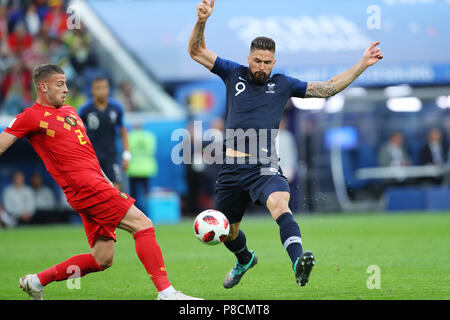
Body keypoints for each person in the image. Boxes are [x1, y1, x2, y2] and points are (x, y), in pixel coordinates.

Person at [188, 0, 383, 288]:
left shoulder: (282, 84)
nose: (261, 67)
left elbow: (328, 88)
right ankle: (244, 259)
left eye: (267, 62)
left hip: (265, 164)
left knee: (280, 205)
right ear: (249, 57)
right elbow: (196, 51)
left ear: (274, 62)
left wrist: (362, 65)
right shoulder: (233, 73)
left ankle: (298, 261)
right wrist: (202, 20)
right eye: (257, 60)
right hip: (231, 169)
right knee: (228, 233)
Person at [0, 64, 200, 300]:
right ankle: (166, 293)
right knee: (142, 224)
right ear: (43, 87)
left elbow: (87, 154)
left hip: (97, 183)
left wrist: (107, 182)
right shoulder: (30, 117)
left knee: (102, 258)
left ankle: (36, 281)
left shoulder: (71, 112)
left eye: (65, 83)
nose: (66, 89)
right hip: (84, 188)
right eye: (59, 84)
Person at [78, 77, 130, 190]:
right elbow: (76, 131)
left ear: (108, 89)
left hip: (111, 155)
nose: (102, 91)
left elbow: (123, 131)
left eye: (104, 88)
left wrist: (126, 155)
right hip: (92, 157)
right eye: (98, 88)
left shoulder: (116, 108)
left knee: (116, 189)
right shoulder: (85, 109)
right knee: (93, 189)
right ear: (92, 90)